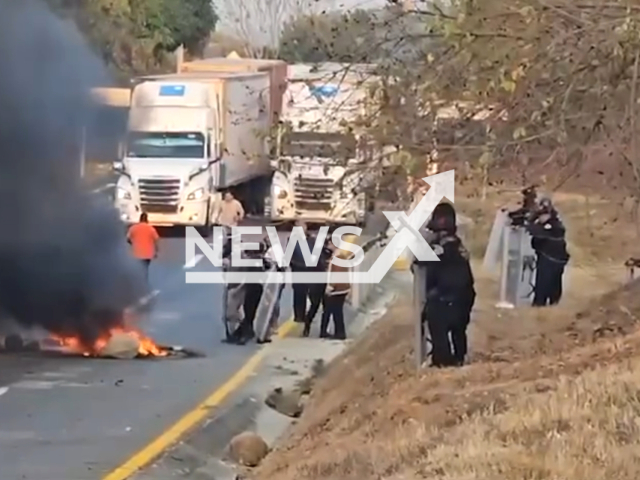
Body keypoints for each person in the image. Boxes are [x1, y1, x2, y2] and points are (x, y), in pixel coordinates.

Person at [421, 202, 476, 367]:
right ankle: (459, 357)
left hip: (444, 299)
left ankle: (444, 361)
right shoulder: (459, 246)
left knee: (438, 327)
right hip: (465, 297)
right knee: (459, 330)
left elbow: (421, 268)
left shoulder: (436, 250)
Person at [527, 197, 570, 306]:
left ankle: (541, 304)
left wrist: (531, 220)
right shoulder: (555, 224)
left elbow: (536, 232)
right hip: (554, 259)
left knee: (545, 283)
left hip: (551, 259)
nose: (540, 218)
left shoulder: (554, 226)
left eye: (541, 215)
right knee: (553, 284)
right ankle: (551, 303)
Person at [319, 240, 353, 340]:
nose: (328, 246)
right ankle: (338, 332)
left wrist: (330, 288)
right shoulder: (341, 256)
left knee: (336, 312)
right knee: (337, 311)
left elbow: (336, 275)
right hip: (342, 288)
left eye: (330, 244)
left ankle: (339, 333)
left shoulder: (337, 258)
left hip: (337, 289)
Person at [303, 235, 333, 337]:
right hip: (321, 284)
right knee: (326, 308)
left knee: (315, 306)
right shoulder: (326, 254)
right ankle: (323, 330)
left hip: (314, 285)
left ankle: (308, 326)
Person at [290, 220, 314, 323]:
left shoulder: (311, 240)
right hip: (298, 269)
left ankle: (305, 314)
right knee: (298, 293)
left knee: (308, 292)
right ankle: (298, 315)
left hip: (310, 270)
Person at [126, 212, 159, 281]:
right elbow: (156, 240)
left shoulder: (133, 228)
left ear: (140, 219)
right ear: (147, 219)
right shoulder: (151, 229)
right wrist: (156, 251)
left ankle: (136, 282)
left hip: (136, 253)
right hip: (147, 254)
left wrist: (132, 244)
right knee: (145, 269)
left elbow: (128, 239)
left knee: (137, 269)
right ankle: (143, 282)